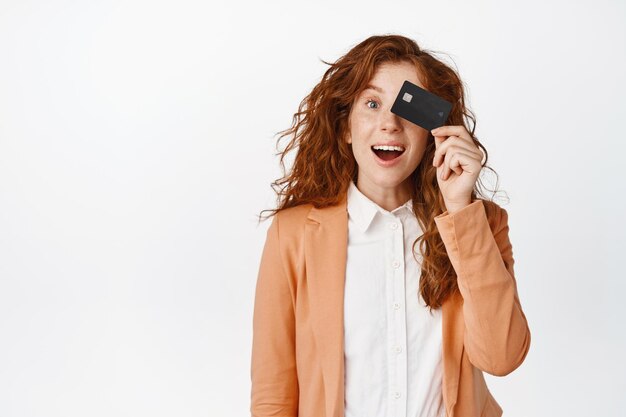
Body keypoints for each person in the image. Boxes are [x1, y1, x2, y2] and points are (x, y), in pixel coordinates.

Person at [250, 34, 531, 417]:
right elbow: (273, 395)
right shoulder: (293, 235)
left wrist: (461, 209)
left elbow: (502, 356)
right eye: (371, 103)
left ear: (433, 132)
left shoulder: (480, 223)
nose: (390, 124)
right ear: (346, 127)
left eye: (407, 107)